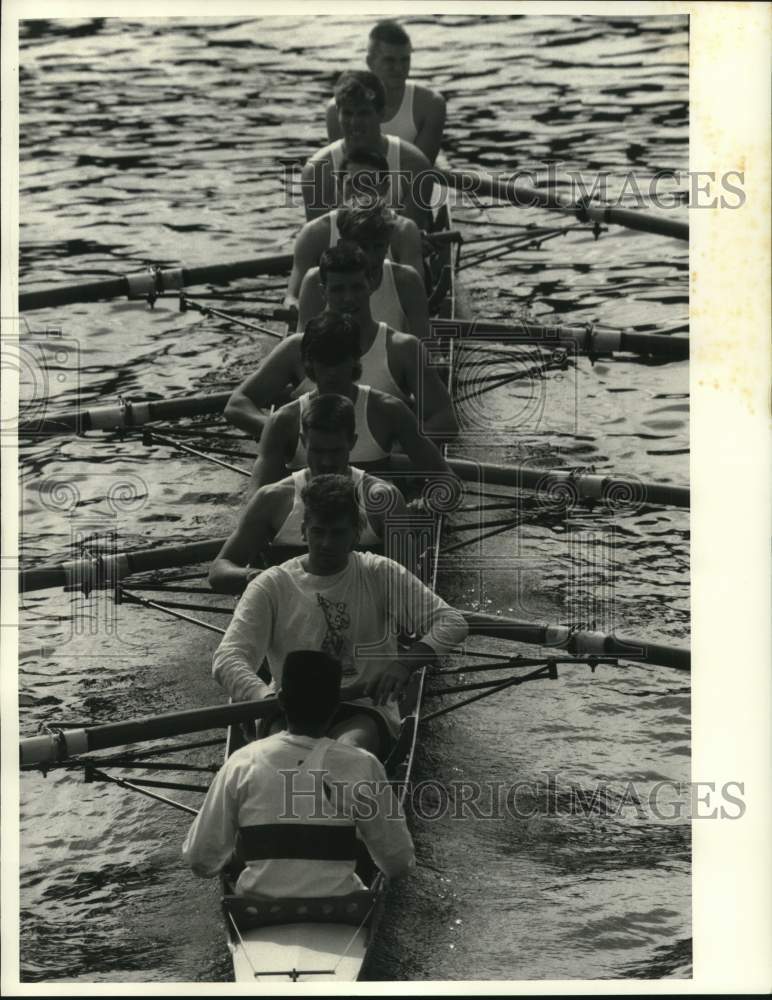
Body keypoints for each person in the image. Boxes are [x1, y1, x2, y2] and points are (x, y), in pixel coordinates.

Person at [212, 475, 468, 754]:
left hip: (362, 705)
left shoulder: (379, 572)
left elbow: (452, 622)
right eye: (318, 532)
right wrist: (263, 695)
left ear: (356, 532)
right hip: (290, 709)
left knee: (346, 751)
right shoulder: (272, 583)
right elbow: (227, 657)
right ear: (302, 531)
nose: (326, 543)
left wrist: (404, 664)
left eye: (337, 533)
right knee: (287, 755)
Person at [183, 650, 415, 898]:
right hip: (340, 909)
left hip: (256, 910)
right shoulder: (363, 764)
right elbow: (399, 864)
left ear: (281, 701)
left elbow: (200, 861)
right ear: (336, 706)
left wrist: (242, 845)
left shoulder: (240, 762)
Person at [225, 244, 458, 440]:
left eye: (357, 287)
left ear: (372, 284)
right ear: (323, 292)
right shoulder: (296, 348)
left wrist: (399, 441)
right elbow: (237, 404)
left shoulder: (403, 348)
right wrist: (289, 436)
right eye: (338, 290)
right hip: (313, 467)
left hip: (382, 474)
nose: (348, 298)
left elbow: (446, 420)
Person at [208, 393, 407, 594]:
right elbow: (219, 569)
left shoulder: (384, 499)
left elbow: (406, 581)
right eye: (318, 451)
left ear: (352, 442)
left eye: (335, 451)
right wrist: (258, 577)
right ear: (303, 442)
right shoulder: (272, 499)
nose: (327, 462)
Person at [249, 312, 454, 493]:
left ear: (355, 359)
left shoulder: (389, 411)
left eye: (339, 361)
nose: (332, 373)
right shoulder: (283, 421)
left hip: (375, 524)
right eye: (324, 362)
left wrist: (428, 504)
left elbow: (447, 479)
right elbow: (256, 501)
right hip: (309, 530)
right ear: (308, 363)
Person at [285, 151, 425, 318]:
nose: (361, 191)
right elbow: (292, 297)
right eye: (353, 184)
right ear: (339, 186)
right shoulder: (313, 233)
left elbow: (418, 292)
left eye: (368, 183)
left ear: (385, 187)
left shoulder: (404, 230)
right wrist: (297, 307)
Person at [303, 70, 433, 229]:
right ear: (337, 114)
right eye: (348, 113)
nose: (354, 122)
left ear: (381, 113)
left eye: (363, 113)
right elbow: (317, 242)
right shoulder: (316, 171)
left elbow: (408, 238)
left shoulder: (415, 165)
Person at [296, 201, 428, 339]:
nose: (371, 258)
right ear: (342, 244)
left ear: (388, 244)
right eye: (363, 247)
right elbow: (302, 352)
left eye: (378, 247)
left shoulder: (407, 281)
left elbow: (425, 349)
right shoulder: (314, 281)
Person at [326, 19, 447, 165]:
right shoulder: (337, 110)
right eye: (390, 61)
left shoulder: (431, 104)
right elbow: (344, 167)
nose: (399, 68)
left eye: (405, 60)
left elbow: (420, 170)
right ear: (370, 62)